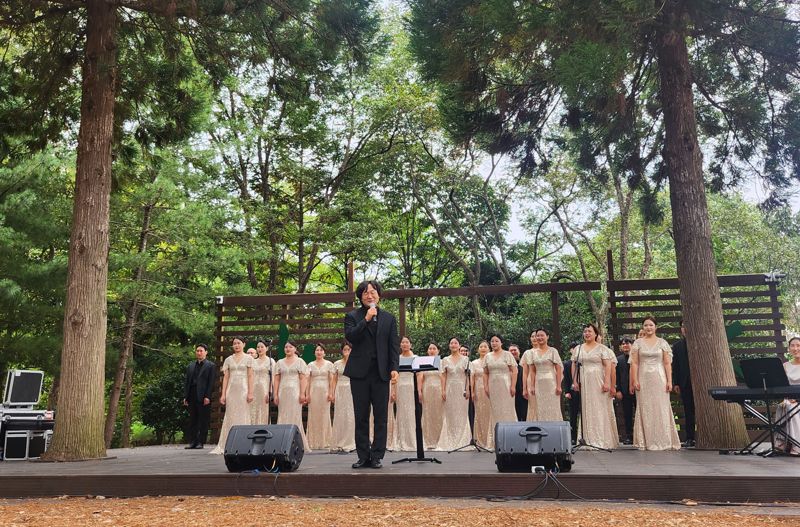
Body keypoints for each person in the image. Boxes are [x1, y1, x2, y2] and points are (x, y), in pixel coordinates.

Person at [344, 280, 400, 469]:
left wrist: (394, 367)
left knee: (381, 417)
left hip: (380, 373)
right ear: (360, 297)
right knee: (361, 416)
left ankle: (377, 456)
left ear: (379, 295)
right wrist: (366, 319)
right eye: (366, 293)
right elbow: (351, 336)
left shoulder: (389, 318)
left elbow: (393, 345)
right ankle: (362, 456)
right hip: (359, 373)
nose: (370, 295)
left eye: (373, 292)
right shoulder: (352, 316)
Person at [630, 316, 681, 451]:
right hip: (643, 377)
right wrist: (634, 380)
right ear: (643, 327)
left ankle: (664, 440)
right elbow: (634, 363)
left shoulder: (662, 342)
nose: (648, 328)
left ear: (656, 327)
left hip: (660, 378)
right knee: (645, 407)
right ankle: (645, 441)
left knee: (661, 407)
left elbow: (666, 363)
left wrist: (670, 381)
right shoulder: (638, 343)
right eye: (646, 325)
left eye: (651, 325)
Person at [571, 324, 618, 449]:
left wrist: (607, 382)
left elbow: (608, 366)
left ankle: (601, 439)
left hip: (598, 379)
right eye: (585, 331)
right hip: (584, 380)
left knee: (599, 407)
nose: (587, 333)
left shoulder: (602, 348)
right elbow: (574, 364)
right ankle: (586, 438)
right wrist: (574, 381)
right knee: (586, 407)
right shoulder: (578, 348)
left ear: (595, 334)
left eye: (590, 331)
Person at [210, 337, 254, 454]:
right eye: (234, 344)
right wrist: (223, 394)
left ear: (244, 344)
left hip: (243, 389)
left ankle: (244, 443)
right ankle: (227, 443)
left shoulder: (249, 358)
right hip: (231, 390)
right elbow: (226, 377)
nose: (236, 345)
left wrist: (250, 392)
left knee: (243, 414)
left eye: (239, 343)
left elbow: (250, 376)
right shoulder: (228, 359)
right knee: (230, 415)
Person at [274, 341, 311, 452]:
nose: (288, 349)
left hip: (295, 392)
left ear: (295, 349)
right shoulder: (279, 362)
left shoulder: (300, 361)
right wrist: (275, 394)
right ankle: (281, 442)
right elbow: (276, 379)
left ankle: (297, 443)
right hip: (283, 392)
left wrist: (302, 393)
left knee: (295, 416)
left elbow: (303, 378)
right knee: (282, 415)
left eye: (290, 347)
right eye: (286, 347)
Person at [436, 337, 472, 450]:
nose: (453, 345)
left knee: (462, 413)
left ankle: (463, 440)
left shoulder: (466, 359)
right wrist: (443, 390)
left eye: (455, 343)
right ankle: (449, 440)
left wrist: (468, 389)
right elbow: (443, 376)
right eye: (451, 343)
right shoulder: (445, 360)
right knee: (450, 413)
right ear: (449, 346)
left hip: (462, 389)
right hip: (450, 388)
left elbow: (468, 376)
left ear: (459, 345)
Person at [484, 334, 518, 449]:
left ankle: (511, 439)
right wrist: (486, 386)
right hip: (493, 385)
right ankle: (496, 440)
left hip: (506, 385)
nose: (494, 343)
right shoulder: (488, 356)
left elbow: (514, 371)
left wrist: (513, 386)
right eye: (492, 341)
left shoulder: (507, 355)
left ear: (501, 343)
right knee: (495, 411)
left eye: (496, 341)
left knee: (507, 410)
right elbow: (485, 372)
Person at [521, 329, 563, 422]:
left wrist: (559, 385)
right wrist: (531, 386)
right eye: (537, 336)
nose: (539, 338)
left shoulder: (553, 351)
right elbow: (532, 371)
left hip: (551, 382)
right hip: (538, 382)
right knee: (539, 407)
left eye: (542, 335)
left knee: (552, 406)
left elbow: (558, 368)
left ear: (547, 337)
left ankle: (555, 429)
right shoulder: (532, 353)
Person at [183, 343, 217, 449]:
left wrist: (208, 396)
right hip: (192, 394)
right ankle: (192, 441)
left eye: (201, 351)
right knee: (193, 419)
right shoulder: (191, 366)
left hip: (203, 395)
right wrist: (185, 396)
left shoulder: (210, 365)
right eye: (197, 351)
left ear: (206, 352)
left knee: (203, 419)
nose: (199, 352)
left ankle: (201, 442)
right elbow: (187, 382)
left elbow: (211, 382)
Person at [671, 319, 696, 447]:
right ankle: (690, 437)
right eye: (682, 326)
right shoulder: (677, 346)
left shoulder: (700, 343)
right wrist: (676, 383)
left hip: (699, 383)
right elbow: (675, 366)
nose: (684, 328)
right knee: (688, 410)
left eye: (687, 325)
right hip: (685, 382)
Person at [306, 343, 335, 450]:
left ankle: (326, 441)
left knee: (324, 415)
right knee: (313, 415)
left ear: (324, 352)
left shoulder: (329, 364)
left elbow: (332, 380)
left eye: (321, 350)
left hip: (325, 392)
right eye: (317, 350)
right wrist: (307, 394)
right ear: (314, 352)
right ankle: (312, 441)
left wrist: (331, 393)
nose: (319, 352)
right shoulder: (310, 365)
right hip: (313, 392)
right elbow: (307, 381)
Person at [776, 337, 800, 455]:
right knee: (782, 405)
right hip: (789, 398)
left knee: (791, 407)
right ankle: (782, 442)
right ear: (789, 349)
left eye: (798, 345)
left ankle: (796, 445)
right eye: (793, 346)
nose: (796, 348)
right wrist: (788, 398)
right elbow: (782, 385)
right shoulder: (785, 366)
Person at [418, 343, 444, 450]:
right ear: (427, 351)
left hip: (438, 389)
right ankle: (427, 440)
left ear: (438, 351)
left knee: (439, 413)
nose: (432, 350)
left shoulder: (441, 362)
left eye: (434, 348)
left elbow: (443, 377)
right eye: (430, 348)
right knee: (427, 413)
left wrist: (443, 390)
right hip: (427, 389)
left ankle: (439, 439)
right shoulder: (423, 361)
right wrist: (419, 391)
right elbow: (420, 377)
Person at [394, 336, 418, 451]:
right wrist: (393, 391)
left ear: (410, 344)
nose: (404, 344)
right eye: (402, 342)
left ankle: (412, 440)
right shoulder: (396, 358)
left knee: (411, 412)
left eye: (407, 342)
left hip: (411, 386)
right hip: (400, 386)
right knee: (401, 412)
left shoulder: (416, 358)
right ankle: (401, 439)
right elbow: (393, 376)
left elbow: (419, 375)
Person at [331, 342, 355, 452]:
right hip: (340, 389)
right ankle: (339, 440)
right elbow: (334, 379)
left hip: (351, 389)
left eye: (348, 349)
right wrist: (332, 393)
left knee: (350, 415)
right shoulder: (336, 363)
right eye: (344, 349)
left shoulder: (356, 362)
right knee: (340, 415)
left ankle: (351, 441)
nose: (346, 352)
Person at [614, 336, 636, 445]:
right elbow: (616, 376)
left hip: (637, 390)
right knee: (627, 414)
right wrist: (617, 390)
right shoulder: (618, 360)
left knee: (639, 413)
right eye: (623, 344)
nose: (625, 345)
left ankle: (639, 435)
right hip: (624, 391)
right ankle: (628, 435)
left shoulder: (637, 358)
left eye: (627, 343)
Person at [471, 340, 492, 448]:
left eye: (485, 346)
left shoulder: (491, 361)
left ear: (489, 349)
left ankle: (491, 439)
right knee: (479, 414)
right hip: (479, 391)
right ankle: (480, 439)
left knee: (490, 413)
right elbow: (472, 379)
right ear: (478, 349)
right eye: (481, 346)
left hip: (490, 390)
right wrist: (472, 392)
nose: (483, 348)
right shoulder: (473, 363)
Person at [250, 339, 275, 425]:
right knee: (252, 410)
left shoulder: (271, 361)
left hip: (265, 389)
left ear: (267, 348)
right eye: (258, 347)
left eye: (262, 347)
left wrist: (270, 392)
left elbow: (273, 378)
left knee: (264, 410)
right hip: (253, 388)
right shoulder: (253, 361)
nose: (260, 349)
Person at [562, 357, 580, 444]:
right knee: (573, 415)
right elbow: (566, 379)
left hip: (585, 391)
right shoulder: (568, 364)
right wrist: (567, 391)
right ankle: (573, 437)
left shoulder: (584, 362)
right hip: (572, 393)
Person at [509, 344, 527, 421]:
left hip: (524, 393)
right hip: (511, 394)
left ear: (519, 352)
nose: (513, 352)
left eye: (515, 350)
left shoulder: (524, 364)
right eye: (511, 351)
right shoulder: (506, 365)